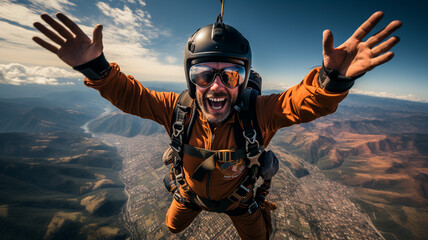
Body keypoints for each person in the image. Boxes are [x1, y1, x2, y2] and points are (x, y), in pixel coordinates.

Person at [32, 11, 401, 240]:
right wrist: (94, 67)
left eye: (230, 75)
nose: (217, 87)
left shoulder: (260, 112)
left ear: (244, 79)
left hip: (240, 201)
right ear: (191, 80)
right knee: (173, 227)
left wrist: (332, 81)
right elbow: (131, 95)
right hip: (190, 193)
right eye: (204, 74)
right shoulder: (177, 109)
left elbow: (303, 103)